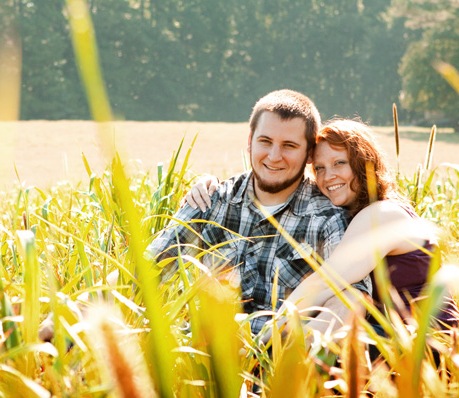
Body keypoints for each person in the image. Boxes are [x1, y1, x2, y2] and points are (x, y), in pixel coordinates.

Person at [185, 119, 457, 336]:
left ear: (365, 164)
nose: (329, 176)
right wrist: (211, 184)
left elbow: (325, 283)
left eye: (340, 163)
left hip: (422, 340)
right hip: (390, 333)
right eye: (321, 168)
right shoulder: (347, 215)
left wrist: (267, 338)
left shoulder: (381, 215)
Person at [148, 91, 370, 336]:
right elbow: (147, 272)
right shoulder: (210, 201)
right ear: (250, 140)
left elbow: (351, 298)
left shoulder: (328, 217)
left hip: (279, 359)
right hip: (203, 357)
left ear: (309, 154)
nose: (274, 157)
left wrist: (293, 351)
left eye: (289, 146)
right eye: (265, 141)